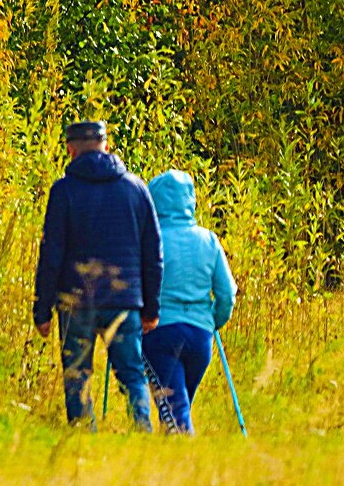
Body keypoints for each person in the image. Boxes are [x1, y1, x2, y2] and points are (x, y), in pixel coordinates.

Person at [33, 121, 162, 431]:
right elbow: (153, 254)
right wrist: (151, 308)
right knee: (132, 373)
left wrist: (42, 309)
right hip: (125, 300)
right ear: (107, 146)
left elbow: (51, 254)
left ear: (70, 149)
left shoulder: (63, 191)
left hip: (76, 299)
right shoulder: (136, 189)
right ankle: (142, 430)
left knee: (77, 374)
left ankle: (82, 433)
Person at [141, 169, 237, 435]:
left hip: (160, 334)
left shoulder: (150, 242)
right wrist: (212, 322)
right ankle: (173, 453)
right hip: (200, 338)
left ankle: (184, 450)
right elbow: (227, 294)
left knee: (175, 411)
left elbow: (134, 287)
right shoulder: (209, 240)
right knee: (178, 406)